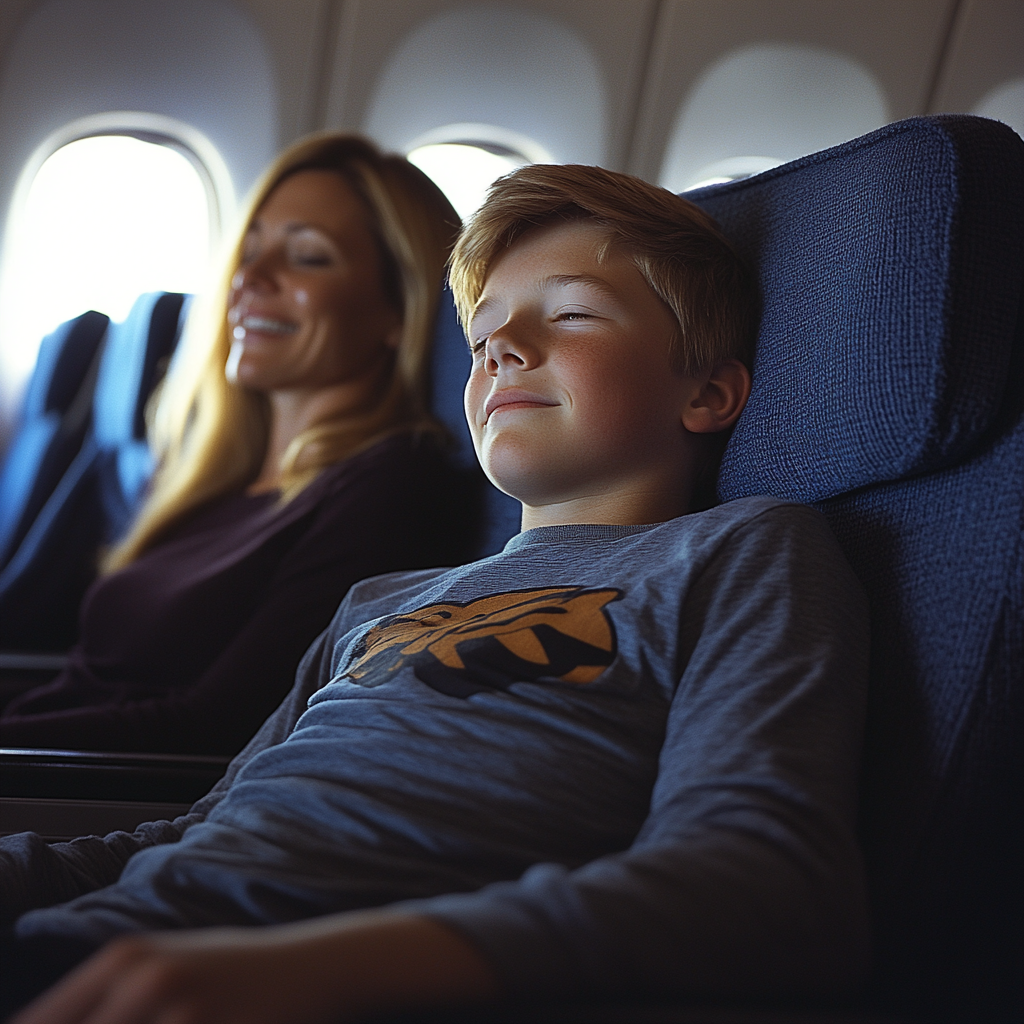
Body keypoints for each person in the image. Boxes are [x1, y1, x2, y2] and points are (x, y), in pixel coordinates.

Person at [1, 164, 870, 1022]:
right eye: (486, 332)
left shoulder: (739, 551)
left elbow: (761, 880)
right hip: (105, 942)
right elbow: (200, 835)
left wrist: (320, 972)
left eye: (570, 313)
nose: (504, 347)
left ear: (709, 392)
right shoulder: (379, 601)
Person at [0, 134, 470, 755]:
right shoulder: (216, 474)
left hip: (94, 793)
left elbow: (218, 727)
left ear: (399, 310)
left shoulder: (390, 485)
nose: (249, 279)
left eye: (307, 256)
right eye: (249, 251)